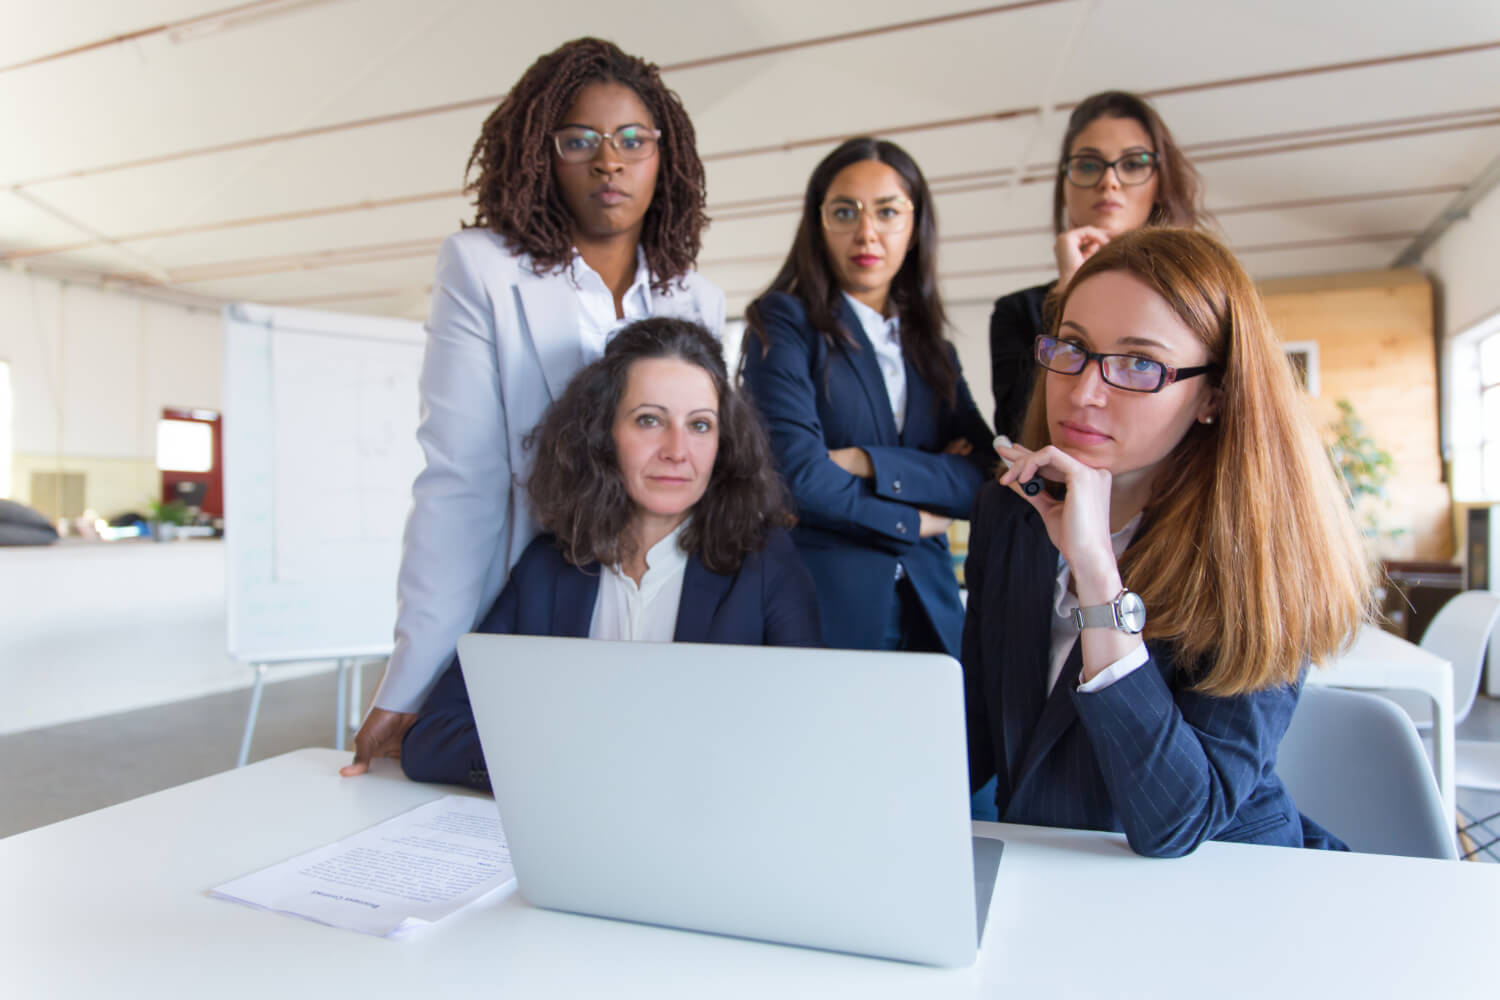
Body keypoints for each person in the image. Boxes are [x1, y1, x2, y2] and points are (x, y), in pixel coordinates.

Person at [343, 39, 725, 776]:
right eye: (578, 140)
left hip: (665, 604)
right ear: (540, 155)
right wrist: (413, 675)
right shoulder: (481, 268)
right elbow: (461, 482)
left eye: (632, 141)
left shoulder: (697, 299)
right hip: (537, 600)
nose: (608, 161)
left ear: (664, 157)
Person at [964, 227, 1374, 857]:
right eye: (1072, 347)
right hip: (1052, 874)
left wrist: (1097, 574)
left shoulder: (1258, 552)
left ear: (1213, 395)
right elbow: (980, 733)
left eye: (1138, 364)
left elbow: (1177, 822)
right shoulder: (1010, 509)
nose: (1083, 390)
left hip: (1225, 885)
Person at [402, 317, 821, 789]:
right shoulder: (549, 568)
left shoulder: (766, 565)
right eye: (649, 420)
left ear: (723, 444)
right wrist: (575, 757)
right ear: (603, 434)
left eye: (700, 425)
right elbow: (431, 741)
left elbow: (806, 737)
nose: (677, 450)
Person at [740, 137, 993, 660]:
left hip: (931, 609)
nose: (867, 232)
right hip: (822, 604)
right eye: (844, 212)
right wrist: (914, 517)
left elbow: (983, 476)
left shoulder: (933, 350)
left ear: (914, 225)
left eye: (887, 212)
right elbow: (796, 478)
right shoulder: (785, 322)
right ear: (819, 224)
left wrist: (862, 462)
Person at [989, 90, 1205, 439]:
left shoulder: (1200, 303)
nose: (1109, 181)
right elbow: (1024, 437)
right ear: (1065, 186)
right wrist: (1070, 293)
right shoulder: (1017, 312)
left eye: (1133, 164)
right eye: (1088, 165)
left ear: (1160, 182)